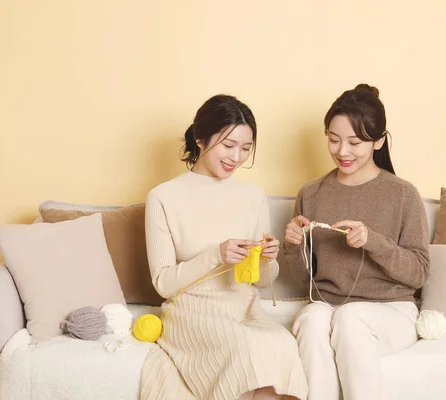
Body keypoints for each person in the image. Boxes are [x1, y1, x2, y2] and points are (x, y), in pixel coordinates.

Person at [143, 94, 308, 400]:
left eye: (246, 148)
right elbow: (163, 283)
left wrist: (267, 260)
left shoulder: (253, 196)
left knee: (281, 345)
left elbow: (261, 281)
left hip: (243, 306)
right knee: (242, 349)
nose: (237, 157)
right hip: (191, 310)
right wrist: (214, 256)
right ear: (201, 139)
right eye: (228, 145)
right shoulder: (163, 197)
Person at [281, 84, 430, 400]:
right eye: (333, 140)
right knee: (311, 318)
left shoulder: (402, 194)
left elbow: (418, 273)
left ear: (378, 140)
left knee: (350, 319)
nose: (342, 151)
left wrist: (373, 241)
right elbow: (301, 282)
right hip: (330, 306)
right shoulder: (311, 193)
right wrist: (293, 245)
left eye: (355, 142)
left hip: (391, 312)